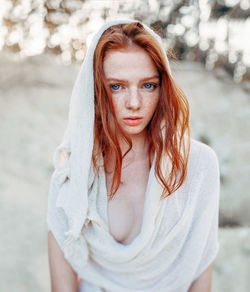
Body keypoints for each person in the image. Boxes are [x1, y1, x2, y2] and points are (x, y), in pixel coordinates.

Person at [47, 19, 220, 292]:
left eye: (148, 85)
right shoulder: (72, 176)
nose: (134, 103)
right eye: (116, 86)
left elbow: (200, 269)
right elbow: (63, 287)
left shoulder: (198, 166)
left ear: (163, 88)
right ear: (96, 90)